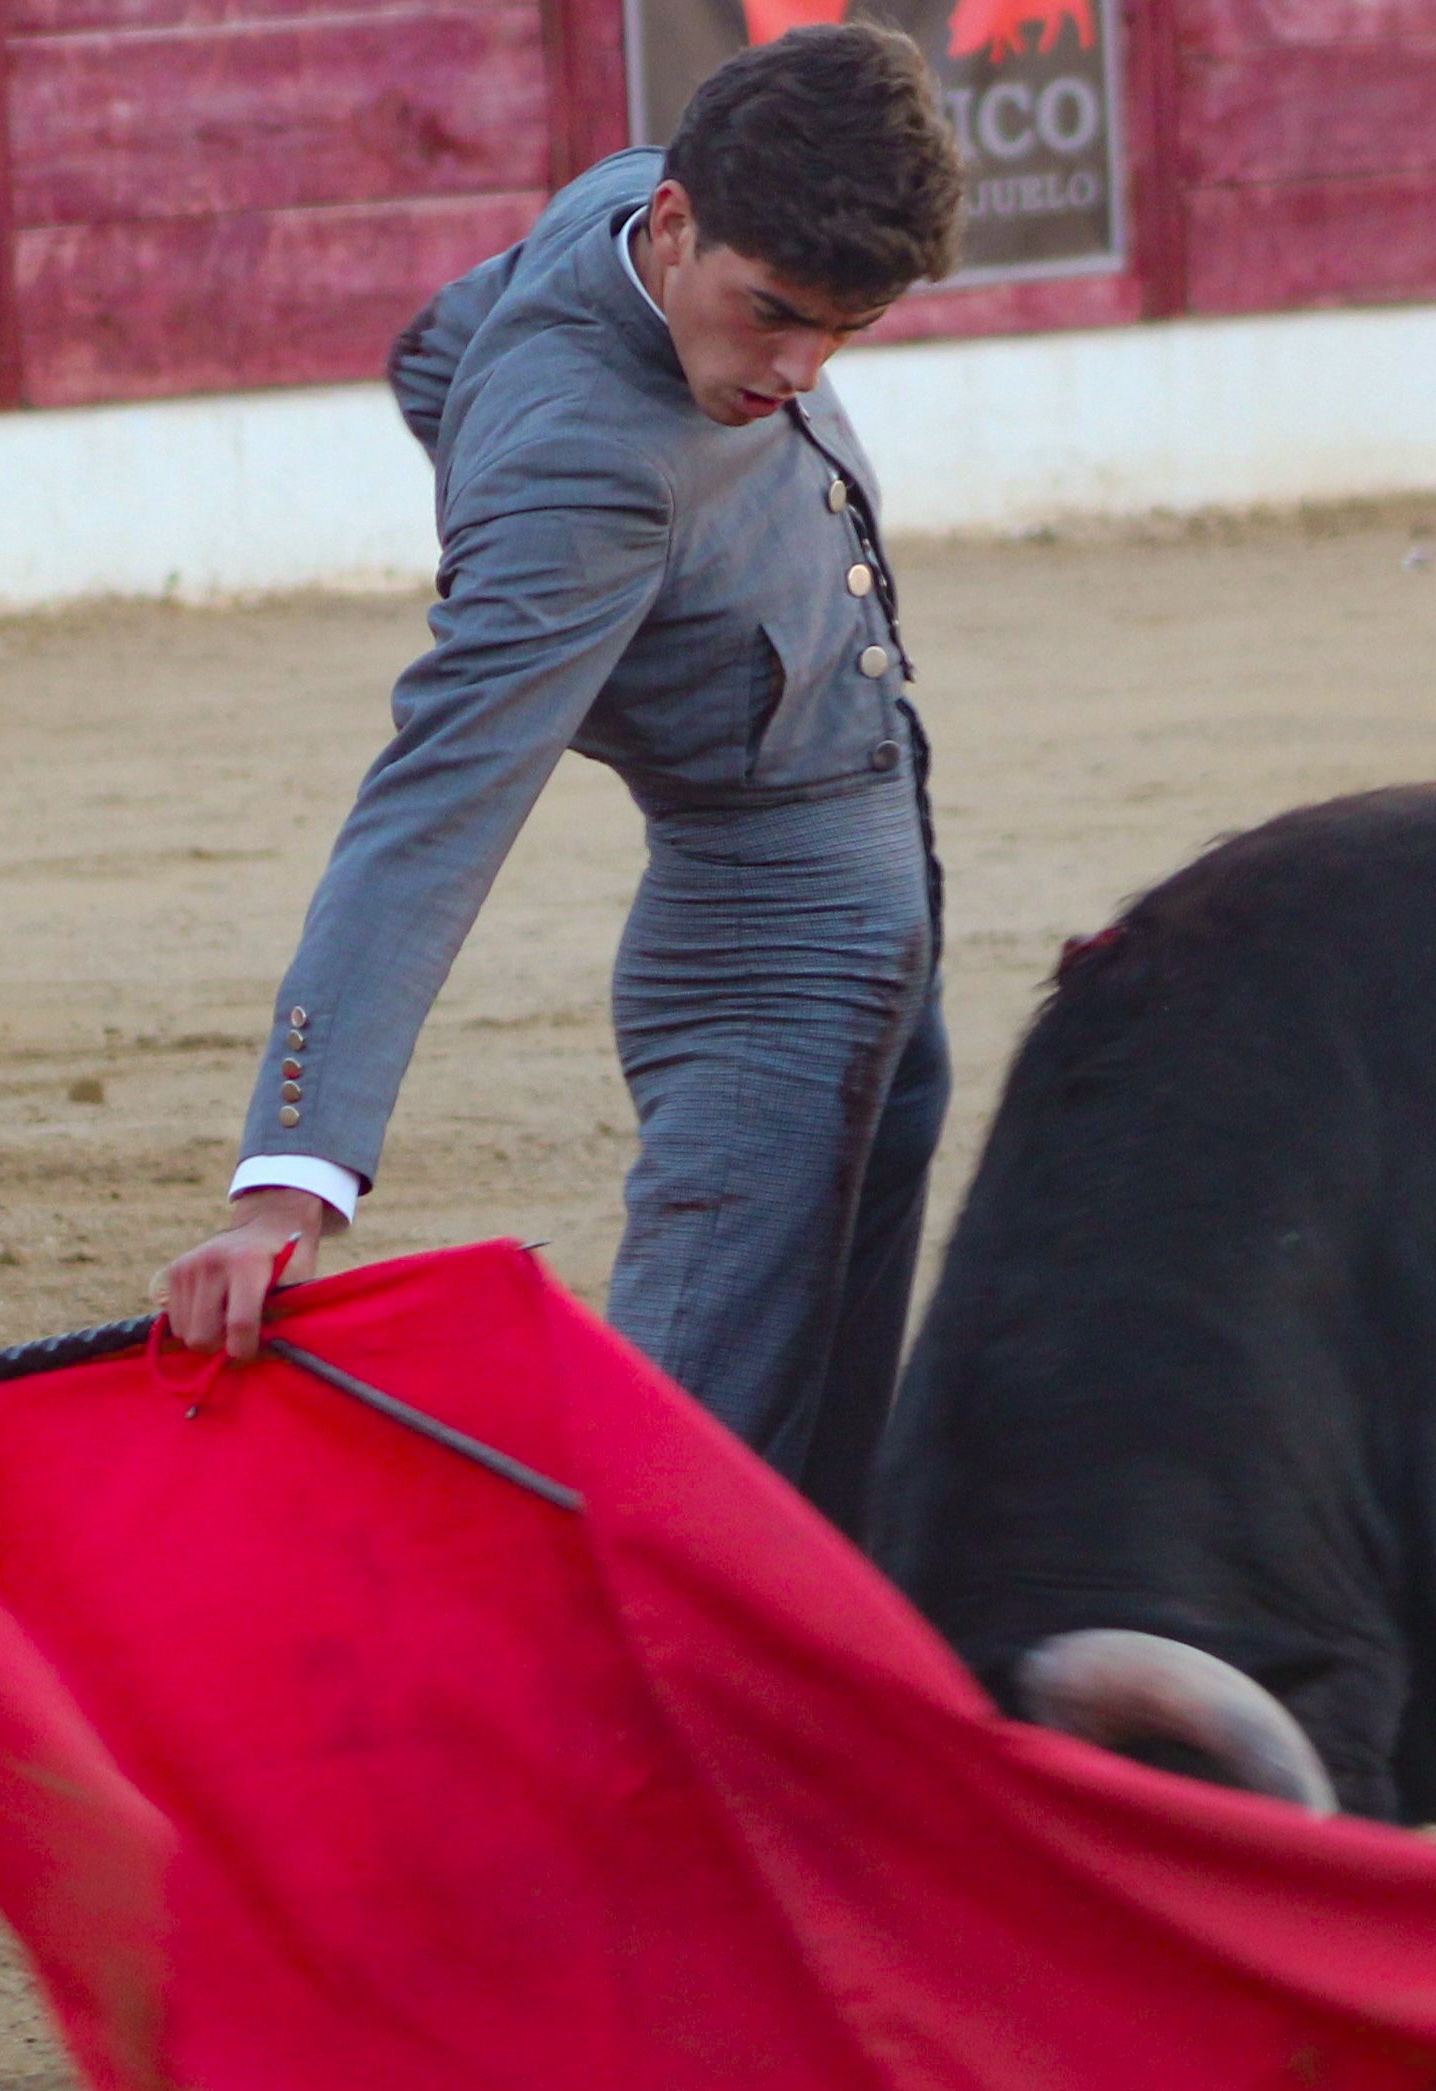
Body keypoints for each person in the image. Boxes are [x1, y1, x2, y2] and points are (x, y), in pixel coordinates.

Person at [157, 24, 968, 1538]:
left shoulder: (629, 203)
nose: (795, 373)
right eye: (773, 315)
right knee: (677, 1472)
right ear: (677, 228)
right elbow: (431, 810)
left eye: (842, 335)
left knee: (826, 1455)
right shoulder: (576, 477)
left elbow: (434, 352)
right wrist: (290, 1178)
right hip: (766, 948)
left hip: (873, 906)